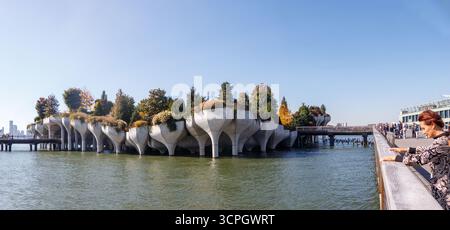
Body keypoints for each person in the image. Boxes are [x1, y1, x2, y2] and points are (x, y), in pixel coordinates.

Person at [383, 110, 450, 210]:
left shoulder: (442, 141)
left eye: (423, 128)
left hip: (444, 192)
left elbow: (421, 159)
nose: (423, 132)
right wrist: (406, 149)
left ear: (432, 124)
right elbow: (429, 150)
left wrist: (396, 158)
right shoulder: (444, 138)